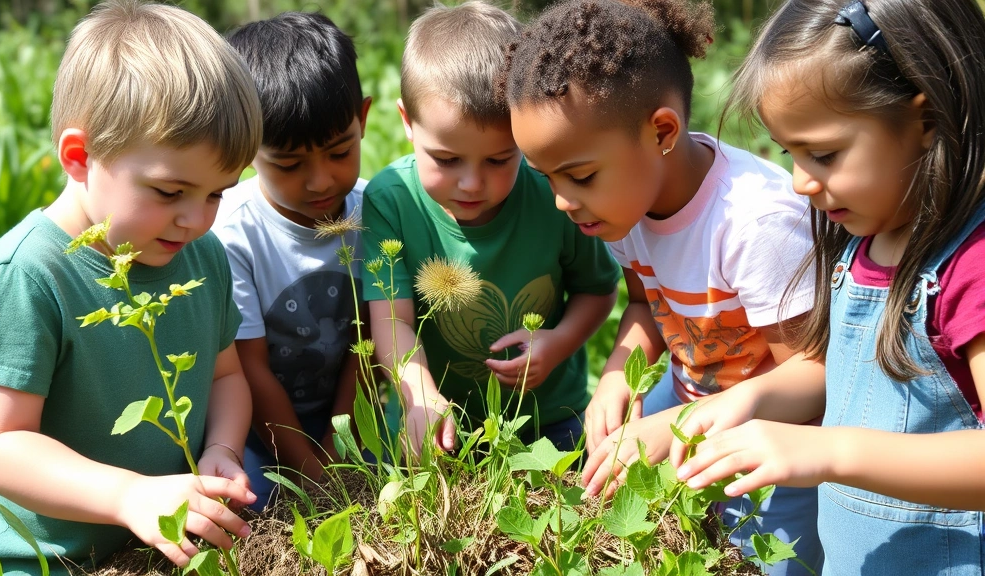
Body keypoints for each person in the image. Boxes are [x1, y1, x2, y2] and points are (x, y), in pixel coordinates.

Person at [501, 0, 823, 573]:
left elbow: (814, 377)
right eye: (546, 177)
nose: (562, 201)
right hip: (691, 409)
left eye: (580, 175)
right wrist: (615, 378)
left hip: (776, 450)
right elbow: (646, 305)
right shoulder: (624, 205)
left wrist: (677, 430)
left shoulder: (753, 225)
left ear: (662, 132)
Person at [669, 0, 985, 573]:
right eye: (789, 153)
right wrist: (750, 399)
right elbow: (846, 380)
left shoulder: (972, 267)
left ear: (926, 121)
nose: (799, 181)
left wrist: (830, 450)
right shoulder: (865, 240)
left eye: (823, 154)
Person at [0, 1, 262, 573]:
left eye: (217, 194)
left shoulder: (202, 257)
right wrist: (128, 495)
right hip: (35, 560)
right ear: (80, 156)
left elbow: (225, 376)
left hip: (150, 548)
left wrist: (221, 449)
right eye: (170, 192)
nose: (196, 219)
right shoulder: (29, 275)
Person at [361, 1, 620, 457]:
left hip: (548, 420)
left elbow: (597, 289)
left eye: (499, 160)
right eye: (446, 159)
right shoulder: (391, 200)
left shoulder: (554, 195)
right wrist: (418, 392)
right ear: (406, 122)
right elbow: (391, 319)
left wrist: (558, 343)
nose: (471, 183)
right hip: (433, 424)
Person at [216, 11, 372, 510]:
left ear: (363, 119)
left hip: (353, 417)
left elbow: (367, 348)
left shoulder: (376, 213)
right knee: (256, 508)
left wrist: (339, 447)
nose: (320, 181)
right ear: (244, 144)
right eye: (288, 164)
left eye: (339, 152)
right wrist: (310, 471)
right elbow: (250, 368)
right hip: (256, 428)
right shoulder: (231, 234)